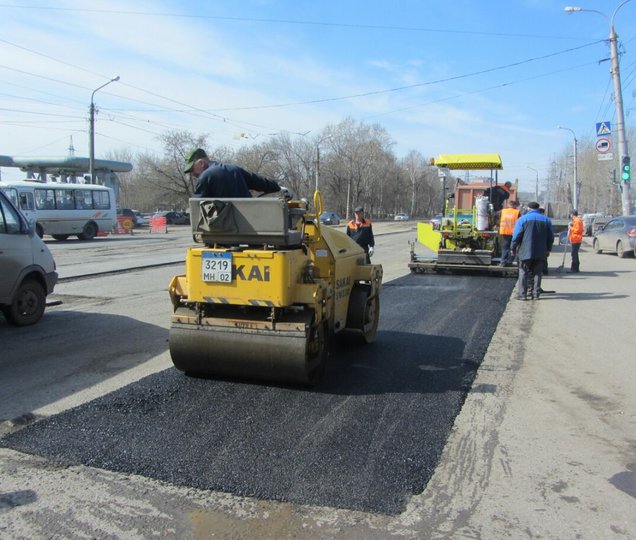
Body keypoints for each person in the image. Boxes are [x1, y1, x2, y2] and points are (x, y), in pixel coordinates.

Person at [184, 148, 281, 198]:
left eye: (192, 169)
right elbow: (261, 183)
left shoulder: (205, 177)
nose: (192, 174)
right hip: (249, 227)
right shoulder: (234, 169)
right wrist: (276, 187)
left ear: (201, 163)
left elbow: (196, 207)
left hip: (222, 231)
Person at [511, 201, 554, 301]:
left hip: (525, 251)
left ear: (529, 209)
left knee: (523, 272)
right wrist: (548, 249)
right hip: (541, 251)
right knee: (537, 273)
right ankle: (536, 295)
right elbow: (551, 237)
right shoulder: (546, 220)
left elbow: (516, 236)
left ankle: (522, 295)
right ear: (538, 209)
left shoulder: (522, 219)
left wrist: (513, 248)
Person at [499, 199, 520, 267]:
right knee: (513, 247)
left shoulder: (503, 211)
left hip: (505, 232)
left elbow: (496, 215)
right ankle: (509, 261)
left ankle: (503, 262)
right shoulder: (517, 212)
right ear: (514, 205)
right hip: (514, 233)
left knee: (505, 247)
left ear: (508, 205)